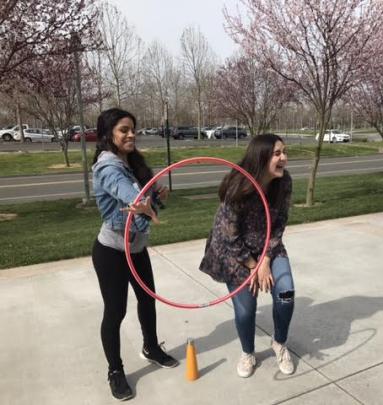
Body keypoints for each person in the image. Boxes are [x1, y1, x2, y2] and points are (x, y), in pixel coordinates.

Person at [91, 108, 178, 401]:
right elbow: (132, 198)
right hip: (112, 251)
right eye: (123, 130)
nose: (131, 135)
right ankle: (115, 371)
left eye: (133, 129)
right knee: (115, 311)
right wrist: (146, 206)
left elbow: (143, 202)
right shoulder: (107, 167)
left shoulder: (132, 162)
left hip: (136, 248)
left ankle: (151, 347)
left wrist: (156, 200)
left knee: (147, 299)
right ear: (108, 135)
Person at [199, 134, 295, 378]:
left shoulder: (284, 182)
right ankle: (248, 352)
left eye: (284, 152)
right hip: (236, 252)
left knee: (285, 294)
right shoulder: (237, 186)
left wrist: (265, 259)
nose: (284, 157)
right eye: (277, 153)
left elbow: (280, 223)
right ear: (261, 157)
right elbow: (229, 235)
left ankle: (279, 343)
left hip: (268, 248)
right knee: (245, 310)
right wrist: (252, 265)